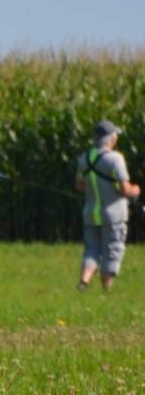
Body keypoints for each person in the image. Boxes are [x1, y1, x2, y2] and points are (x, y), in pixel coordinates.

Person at [77, 119, 139, 290]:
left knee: (92, 250)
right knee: (112, 251)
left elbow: (80, 186)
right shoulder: (115, 159)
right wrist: (136, 190)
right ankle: (106, 290)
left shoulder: (84, 159)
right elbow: (125, 189)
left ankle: (84, 282)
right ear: (110, 138)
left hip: (91, 214)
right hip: (113, 216)